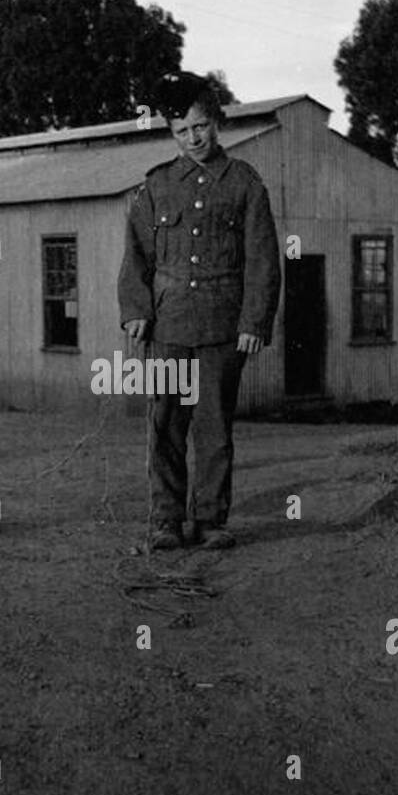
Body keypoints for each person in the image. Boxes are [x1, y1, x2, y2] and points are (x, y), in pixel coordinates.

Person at [118, 72, 281, 550]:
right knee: (165, 423)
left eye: (200, 127)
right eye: (181, 131)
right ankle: (166, 521)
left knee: (213, 426)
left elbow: (263, 258)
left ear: (217, 122)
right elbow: (136, 257)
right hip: (167, 326)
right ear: (172, 133)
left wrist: (254, 321)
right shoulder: (156, 187)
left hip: (221, 328)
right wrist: (135, 310)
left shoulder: (245, 184)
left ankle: (210, 521)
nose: (193, 139)